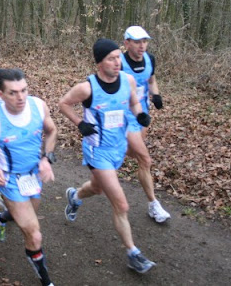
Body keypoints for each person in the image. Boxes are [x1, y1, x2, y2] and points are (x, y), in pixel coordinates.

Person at [58, 38, 156, 275]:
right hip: (97, 151)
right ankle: (133, 253)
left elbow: (133, 102)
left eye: (118, 57)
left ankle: (75, 196)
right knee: (121, 204)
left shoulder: (127, 80)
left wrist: (140, 114)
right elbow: (63, 104)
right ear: (99, 63)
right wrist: (79, 123)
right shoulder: (87, 88)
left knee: (97, 188)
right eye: (111, 58)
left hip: (118, 147)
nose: (117, 62)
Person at [0, 68, 57, 286]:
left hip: (33, 175)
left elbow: (52, 130)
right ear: (1, 94)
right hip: (9, 180)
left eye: (24, 90)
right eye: (13, 93)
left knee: (25, 215)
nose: (20, 97)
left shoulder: (38, 106)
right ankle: (47, 282)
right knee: (34, 234)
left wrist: (47, 157)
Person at [121, 25, 170, 223]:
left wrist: (155, 94)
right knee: (144, 159)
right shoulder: (118, 63)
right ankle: (153, 204)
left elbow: (151, 80)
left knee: (133, 154)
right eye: (137, 42)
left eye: (144, 41)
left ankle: (110, 154)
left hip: (143, 115)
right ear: (127, 43)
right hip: (124, 116)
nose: (142, 46)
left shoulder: (150, 59)